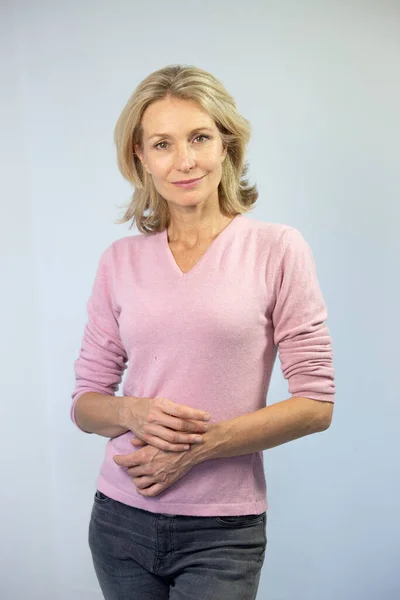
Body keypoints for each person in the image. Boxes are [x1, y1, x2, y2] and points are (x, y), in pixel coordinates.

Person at [71, 64, 335, 600]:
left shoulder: (277, 249)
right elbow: (84, 404)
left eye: (199, 137)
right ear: (141, 157)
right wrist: (129, 411)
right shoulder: (119, 261)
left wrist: (200, 448)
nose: (185, 160)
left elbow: (316, 403)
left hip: (222, 533)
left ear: (226, 144)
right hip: (119, 519)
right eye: (163, 144)